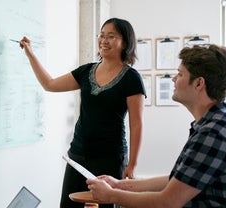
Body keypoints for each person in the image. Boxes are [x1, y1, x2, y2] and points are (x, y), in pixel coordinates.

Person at [86, 44, 226, 207]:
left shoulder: (214, 133)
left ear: (198, 83)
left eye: (180, 74)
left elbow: (167, 203)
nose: (174, 79)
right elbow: (178, 180)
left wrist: (111, 195)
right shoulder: (211, 123)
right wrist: (119, 185)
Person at [18, 17, 145, 208]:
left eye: (111, 36)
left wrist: (132, 164)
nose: (104, 40)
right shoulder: (86, 71)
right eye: (102, 35)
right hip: (77, 156)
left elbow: (137, 124)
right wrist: (30, 54)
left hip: (110, 158)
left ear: (125, 43)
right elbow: (49, 84)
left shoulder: (132, 78)